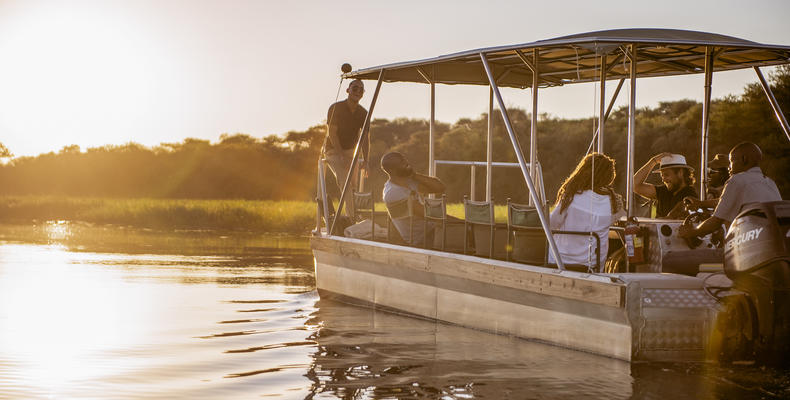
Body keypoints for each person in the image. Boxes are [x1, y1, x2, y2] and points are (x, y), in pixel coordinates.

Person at [679, 142, 782, 240]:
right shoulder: (769, 182)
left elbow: (716, 222)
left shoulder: (737, 180)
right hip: (775, 240)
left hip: (750, 241)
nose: (729, 167)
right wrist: (701, 204)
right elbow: (727, 201)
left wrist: (691, 231)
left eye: (731, 161)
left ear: (744, 159)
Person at [548, 153, 626, 269]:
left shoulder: (571, 195)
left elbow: (551, 223)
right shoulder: (614, 202)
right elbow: (624, 221)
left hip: (559, 260)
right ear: (609, 177)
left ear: (584, 171)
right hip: (592, 266)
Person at [324, 79, 369, 217]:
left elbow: (365, 138)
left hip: (351, 152)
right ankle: (352, 219)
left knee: (353, 187)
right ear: (348, 90)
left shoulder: (363, 113)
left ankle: (348, 216)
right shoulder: (335, 108)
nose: (357, 92)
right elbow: (332, 133)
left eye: (361, 90)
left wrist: (366, 161)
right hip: (333, 151)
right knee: (346, 184)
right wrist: (341, 155)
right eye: (355, 88)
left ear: (363, 94)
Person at [381, 152, 446, 246]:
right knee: (467, 232)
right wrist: (459, 222)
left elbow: (440, 188)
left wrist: (415, 175)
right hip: (423, 238)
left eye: (404, 159)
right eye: (401, 162)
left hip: (433, 229)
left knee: (469, 231)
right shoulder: (392, 192)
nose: (407, 163)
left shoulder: (409, 182)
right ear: (392, 170)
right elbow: (428, 213)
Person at [633, 153, 698, 218]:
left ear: (680, 173)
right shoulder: (663, 191)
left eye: (666, 175)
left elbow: (678, 213)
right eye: (662, 176)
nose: (663, 180)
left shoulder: (691, 195)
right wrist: (653, 161)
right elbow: (634, 185)